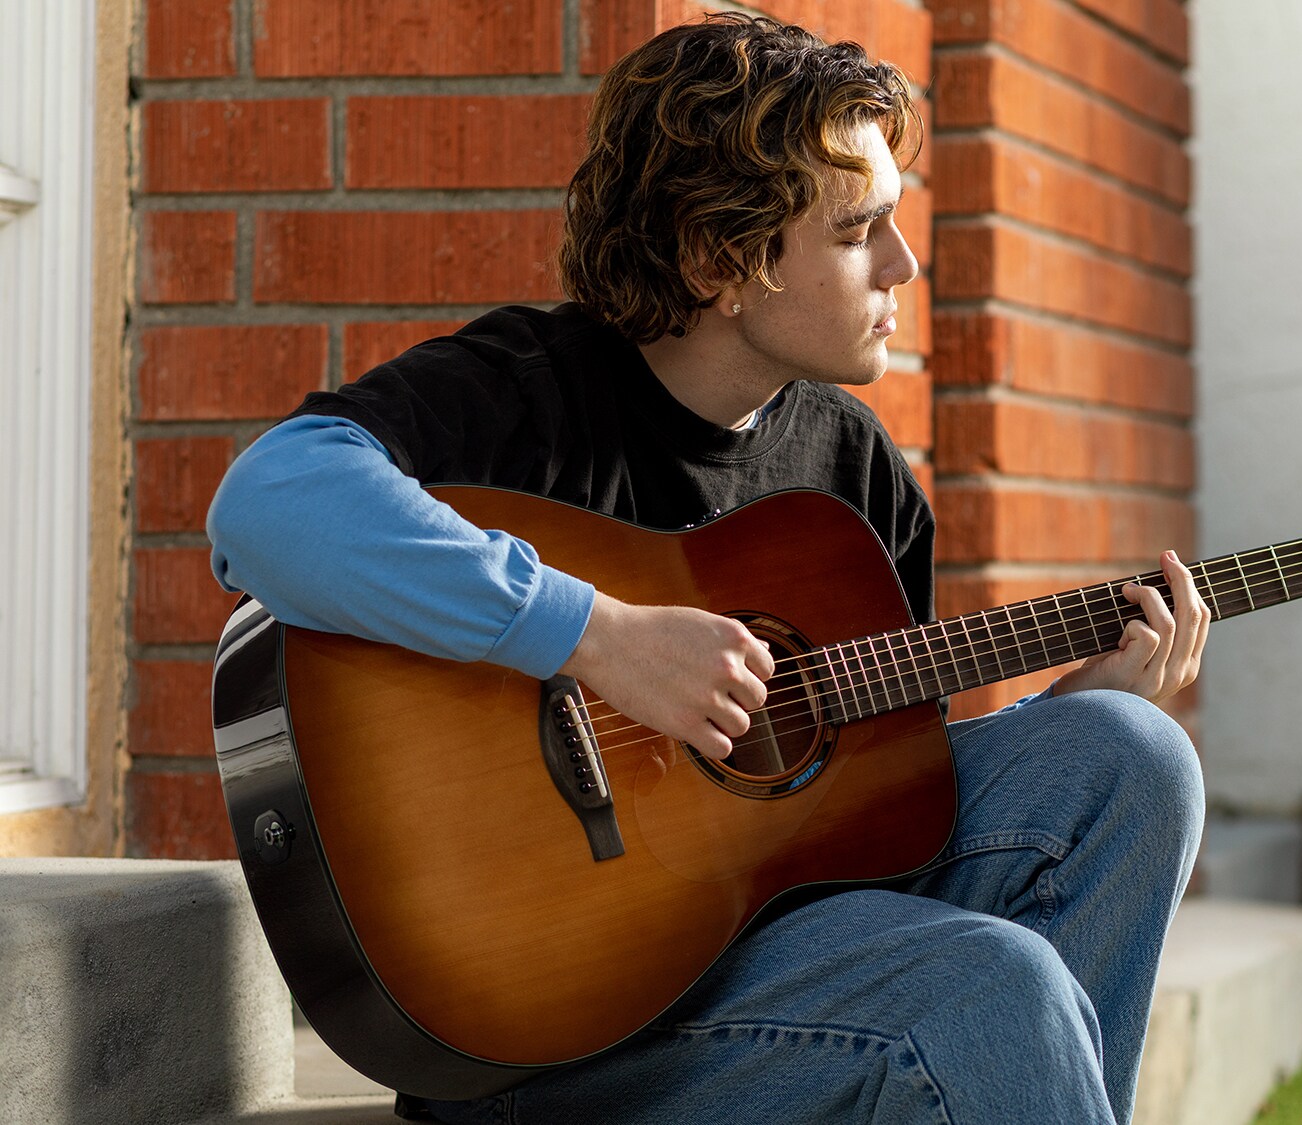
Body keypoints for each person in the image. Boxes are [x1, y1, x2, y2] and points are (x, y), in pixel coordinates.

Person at [206, 14, 1207, 1124]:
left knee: (1128, 752)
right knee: (986, 983)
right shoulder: (527, 396)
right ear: (717, 260)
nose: (904, 265)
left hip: (774, 953)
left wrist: (1068, 707)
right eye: (858, 231)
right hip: (553, 1026)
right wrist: (598, 638)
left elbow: (856, 812)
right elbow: (267, 505)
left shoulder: (853, 470)